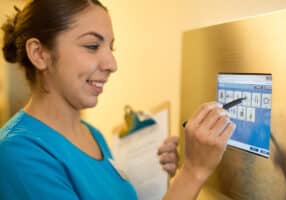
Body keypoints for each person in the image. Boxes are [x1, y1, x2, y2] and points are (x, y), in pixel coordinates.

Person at [0, 1, 235, 199]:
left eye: (110, 48)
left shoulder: (93, 135)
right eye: (92, 46)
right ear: (39, 54)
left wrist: (156, 174)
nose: (112, 64)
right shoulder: (18, 154)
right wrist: (193, 172)